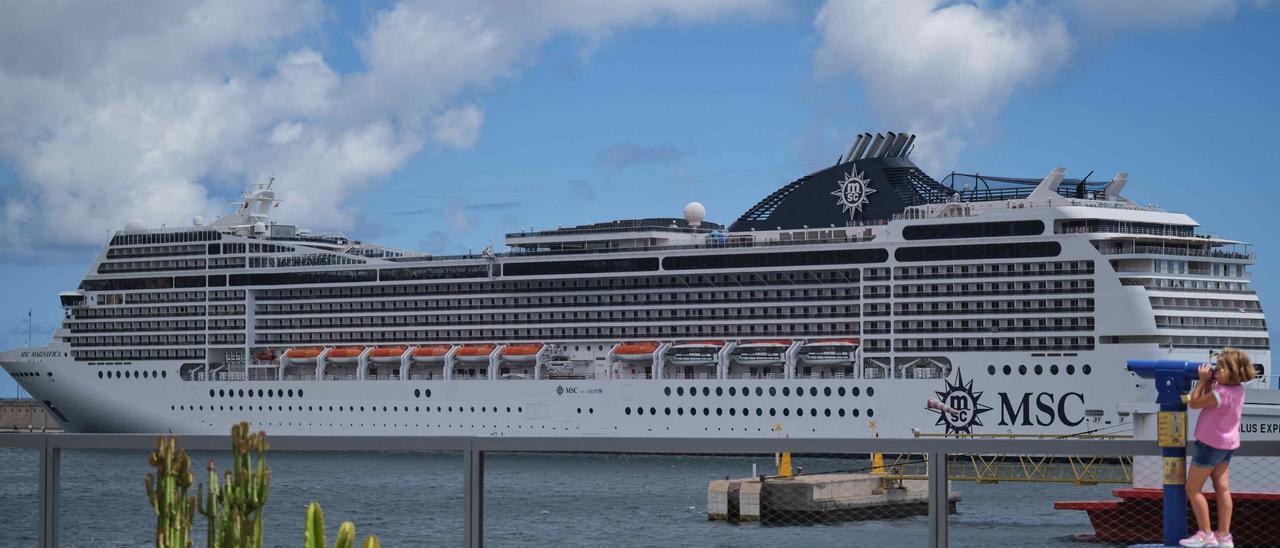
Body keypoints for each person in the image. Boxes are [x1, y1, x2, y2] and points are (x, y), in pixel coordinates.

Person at [1179, 348, 1252, 548]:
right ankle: (1224, 536)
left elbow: (1194, 403)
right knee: (1223, 489)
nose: (1215, 371)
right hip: (1227, 445)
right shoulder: (1238, 390)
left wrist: (1202, 381)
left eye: (1219, 369)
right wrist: (1213, 383)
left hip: (1209, 445)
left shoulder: (1219, 393)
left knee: (1193, 489)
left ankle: (1205, 534)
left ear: (1232, 371)